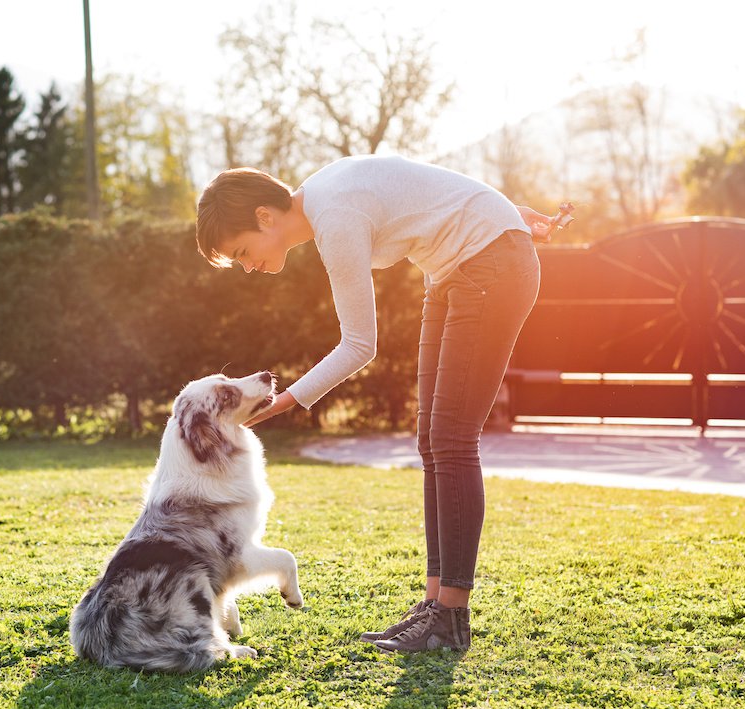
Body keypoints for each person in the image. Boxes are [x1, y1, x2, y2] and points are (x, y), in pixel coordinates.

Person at [195, 154, 556, 653]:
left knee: (451, 440)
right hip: (460, 267)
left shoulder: (334, 214)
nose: (247, 267)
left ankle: (450, 616)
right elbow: (419, 189)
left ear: (264, 216)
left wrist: (283, 401)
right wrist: (503, 213)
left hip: (487, 264)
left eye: (241, 251)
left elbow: (359, 345)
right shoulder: (327, 197)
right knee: (433, 440)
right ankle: (436, 605)